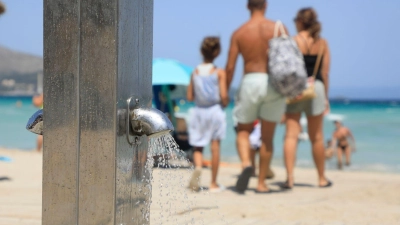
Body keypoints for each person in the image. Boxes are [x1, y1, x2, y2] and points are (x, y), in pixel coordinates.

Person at [226, 0, 288, 193]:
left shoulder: (239, 32)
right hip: (273, 82)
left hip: (251, 81)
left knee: (243, 130)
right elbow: (289, 60)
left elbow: (230, 67)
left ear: (248, 6)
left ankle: (246, 163)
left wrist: (225, 92)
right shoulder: (278, 28)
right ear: (265, 5)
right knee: (267, 138)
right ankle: (261, 184)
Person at [283, 8, 332, 189]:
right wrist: (326, 97)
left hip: (296, 88)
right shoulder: (323, 43)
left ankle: (290, 179)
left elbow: (286, 70)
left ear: (300, 21)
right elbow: (325, 73)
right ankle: (321, 178)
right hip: (316, 88)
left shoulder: (293, 41)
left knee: (291, 136)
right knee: (317, 137)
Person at [186, 36, 229, 192]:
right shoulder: (219, 72)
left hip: (198, 111)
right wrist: (225, 102)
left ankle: (198, 167)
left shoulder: (195, 72)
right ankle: (213, 183)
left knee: (198, 146)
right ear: (217, 52)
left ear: (201, 51)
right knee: (215, 147)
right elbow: (224, 95)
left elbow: (189, 96)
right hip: (214, 111)